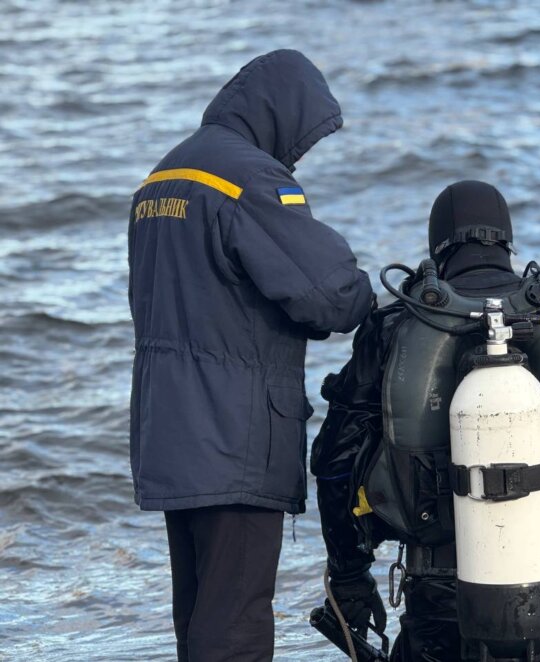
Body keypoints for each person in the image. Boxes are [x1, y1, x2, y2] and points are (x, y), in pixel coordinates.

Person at [311, 180, 540, 661]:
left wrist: (350, 576)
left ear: (438, 249)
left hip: (442, 593)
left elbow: (337, 459)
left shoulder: (396, 324)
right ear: (506, 242)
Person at [127, 50, 374, 661]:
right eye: (303, 136)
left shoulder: (162, 177)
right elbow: (330, 297)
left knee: (199, 613)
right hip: (234, 437)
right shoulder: (251, 180)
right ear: (282, 115)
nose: (299, 154)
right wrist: (378, 295)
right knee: (235, 622)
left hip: (170, 434)